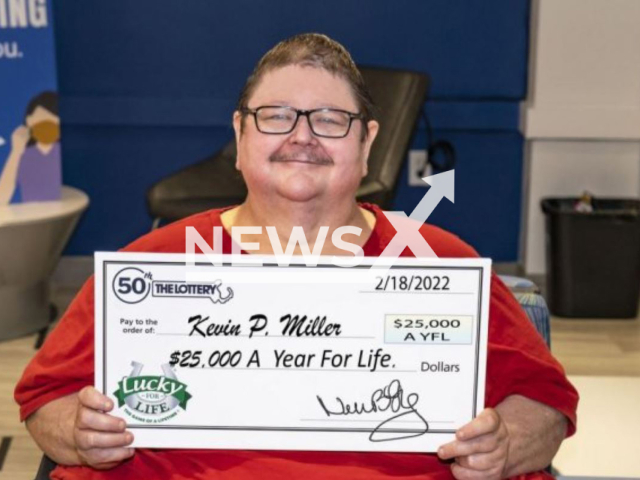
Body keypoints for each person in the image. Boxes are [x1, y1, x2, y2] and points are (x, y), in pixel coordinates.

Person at [15, 33, 578, 480]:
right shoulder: (154, 266)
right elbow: (46, 400)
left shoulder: (441, 265)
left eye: (331, 120)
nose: (302, 136)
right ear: (240, 137)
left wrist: (503, 444)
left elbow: (548, 409)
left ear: (367, 144)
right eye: (276, 116)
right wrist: (81, 432)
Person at [0, 91, 62, 205]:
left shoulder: (60, 153)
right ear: (29, 121)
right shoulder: (24, 156)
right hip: (31, 216)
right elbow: (1, 198)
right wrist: (16, 151)